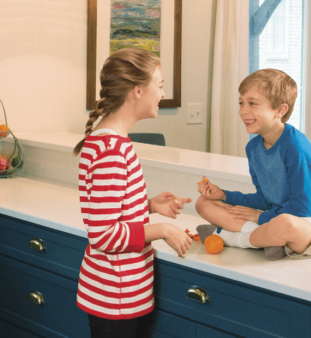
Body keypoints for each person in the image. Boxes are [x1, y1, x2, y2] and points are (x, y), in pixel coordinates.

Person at [73, 48, 194, 338]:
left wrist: (148, 205)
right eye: (160, 85)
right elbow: (103, 234)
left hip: (116, 294)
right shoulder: (112, 150)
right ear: (138, 91)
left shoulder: (112, 141)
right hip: (116, 296)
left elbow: (112, 211)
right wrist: (163, 229)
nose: (162, 94)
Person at [195, 68, 311, 261]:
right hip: (272, 218)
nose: (243, 111)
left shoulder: (295, 147)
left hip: (302, 221)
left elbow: (302, 208)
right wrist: (224, 195)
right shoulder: (253, 148)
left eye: (252, 104)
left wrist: (259, 217)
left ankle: (231, 237)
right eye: (241, 103)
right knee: (203, 204)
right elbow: (265, 199)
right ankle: (266, 241)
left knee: (285, 224)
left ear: (280, 110)